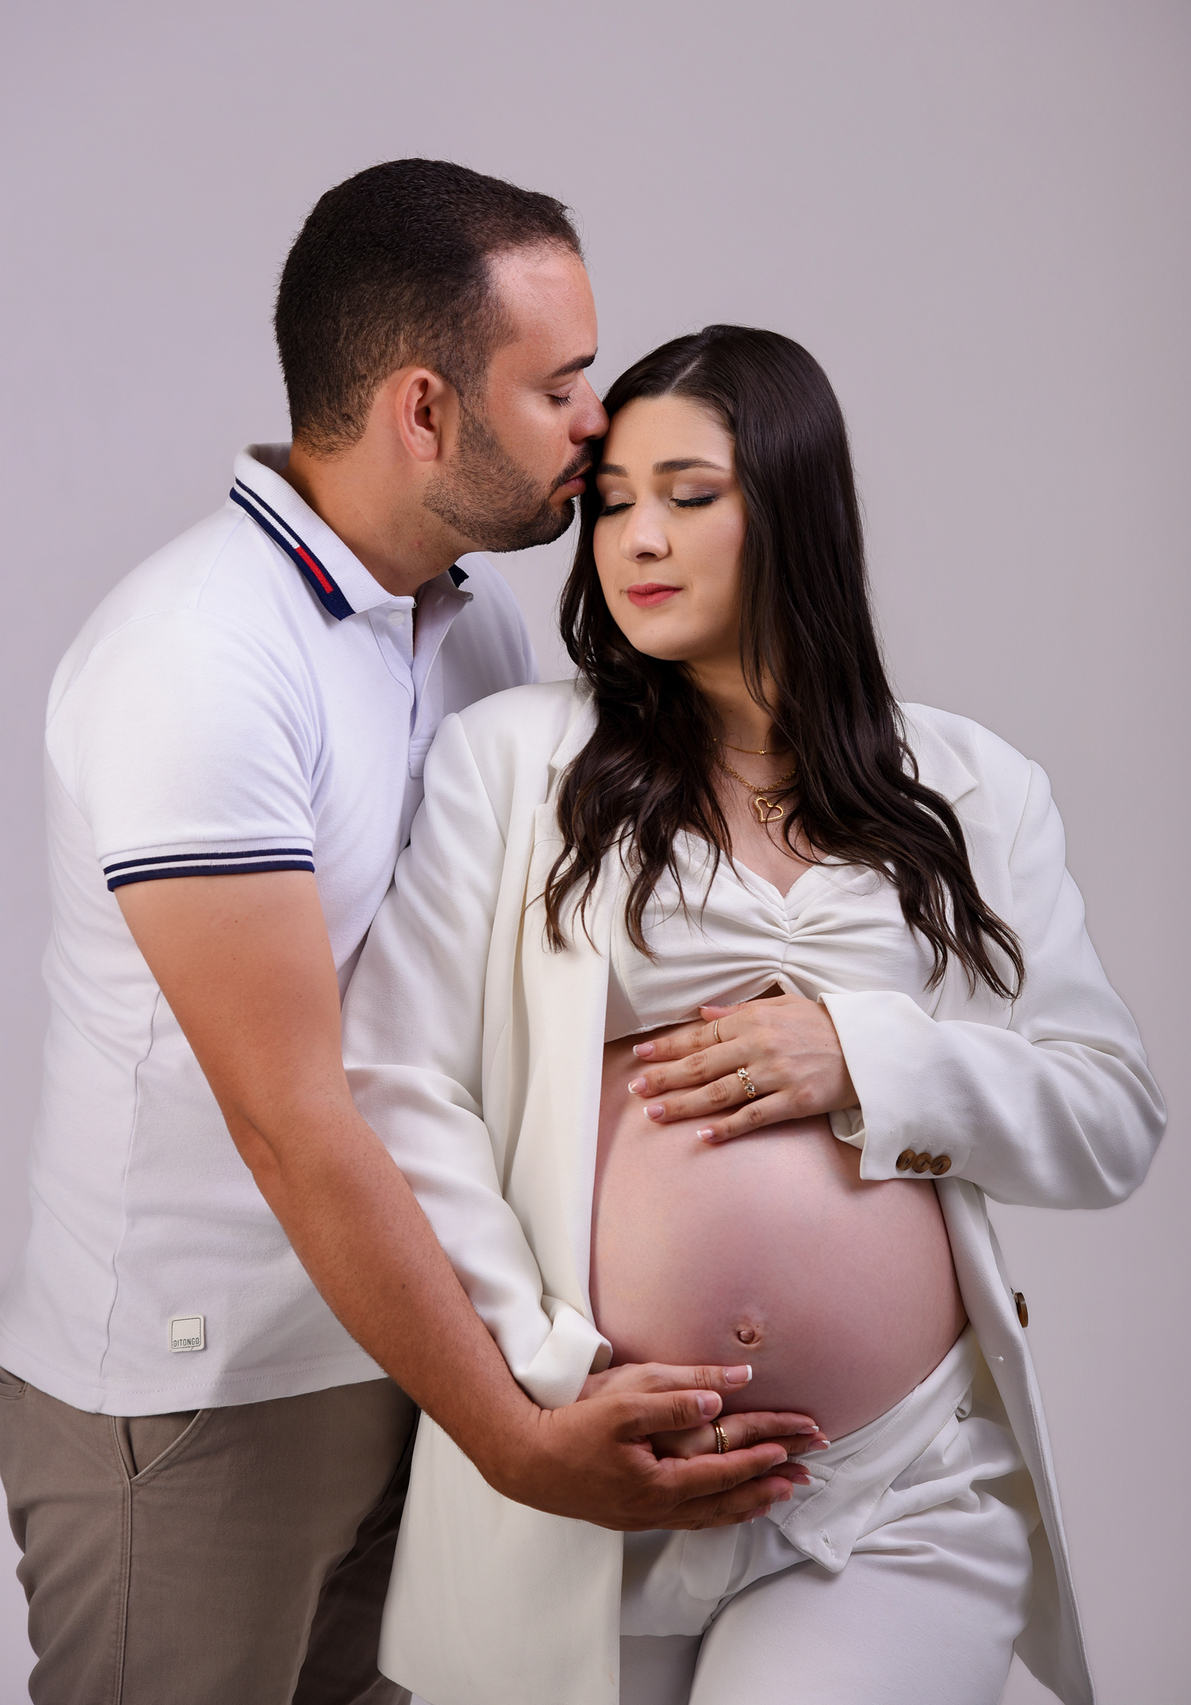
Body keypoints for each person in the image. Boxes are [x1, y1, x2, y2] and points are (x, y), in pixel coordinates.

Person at [0, 171, 806, 1705]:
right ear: (425, 410)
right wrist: (521, 1440)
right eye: (560, 385)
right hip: (208, 1397)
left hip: (408, 1351)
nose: (599, 422)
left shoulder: (467, 621)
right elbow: (291, 1116)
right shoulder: (199, 658)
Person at [341, 325, 1165, 1705]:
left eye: (690, 494)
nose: (638, 539)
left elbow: (1110, 1115)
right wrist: (551, 1370)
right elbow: (400, 1085)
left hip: (891, 1487)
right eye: (612, 502)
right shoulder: (518, 762)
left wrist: (864, 1057)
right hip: (600, 1481)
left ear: (793, 507)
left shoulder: (971, 785)